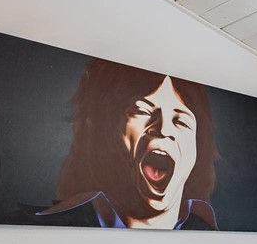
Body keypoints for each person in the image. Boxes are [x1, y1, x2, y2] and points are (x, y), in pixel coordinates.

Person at [28, 59, 220, 230]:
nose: (164, 130)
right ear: (109, 128)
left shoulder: (211, 237)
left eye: (181, 122)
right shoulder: (52, 228)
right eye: (143, 111)